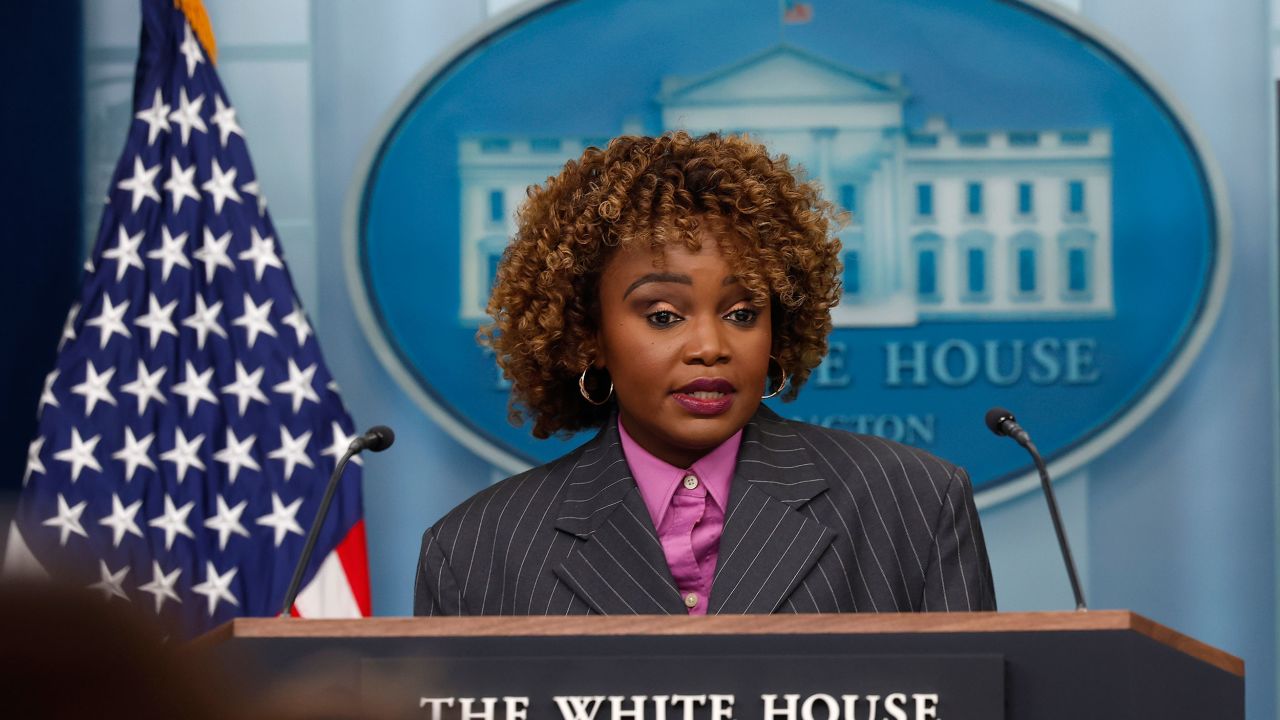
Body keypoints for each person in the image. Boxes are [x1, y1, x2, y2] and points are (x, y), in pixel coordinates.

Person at [415, 131, 995, 616]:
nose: (711, 347)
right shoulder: (476, 550)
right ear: (589, 335)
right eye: (664, 315)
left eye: (743, 313)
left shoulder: (914, 503)